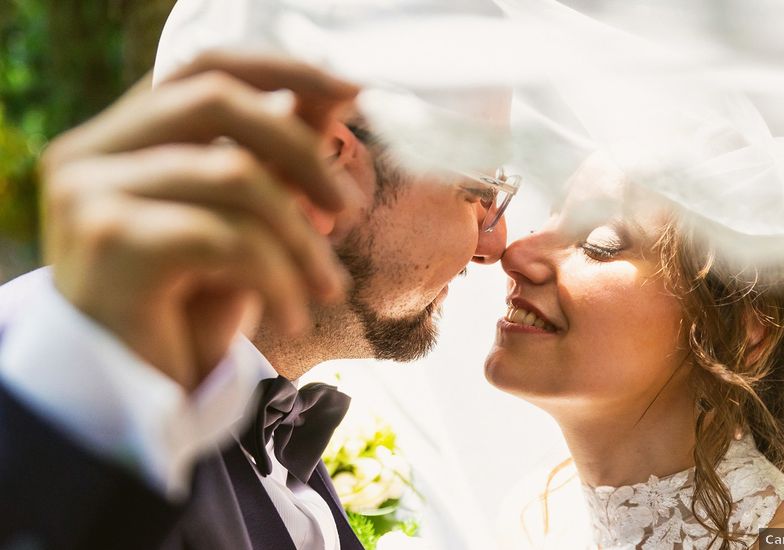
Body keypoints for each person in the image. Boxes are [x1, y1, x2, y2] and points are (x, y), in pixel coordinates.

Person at [0, 46, 513, 550]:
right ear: (323, 166)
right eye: (479, 192)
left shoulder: (285, 452)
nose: (496, 243)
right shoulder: (54, 393)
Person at [484, 153, 784, 549]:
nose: (515, 254)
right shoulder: (534, 516)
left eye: (598, 244)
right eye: (549, 219)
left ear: (744, 330)